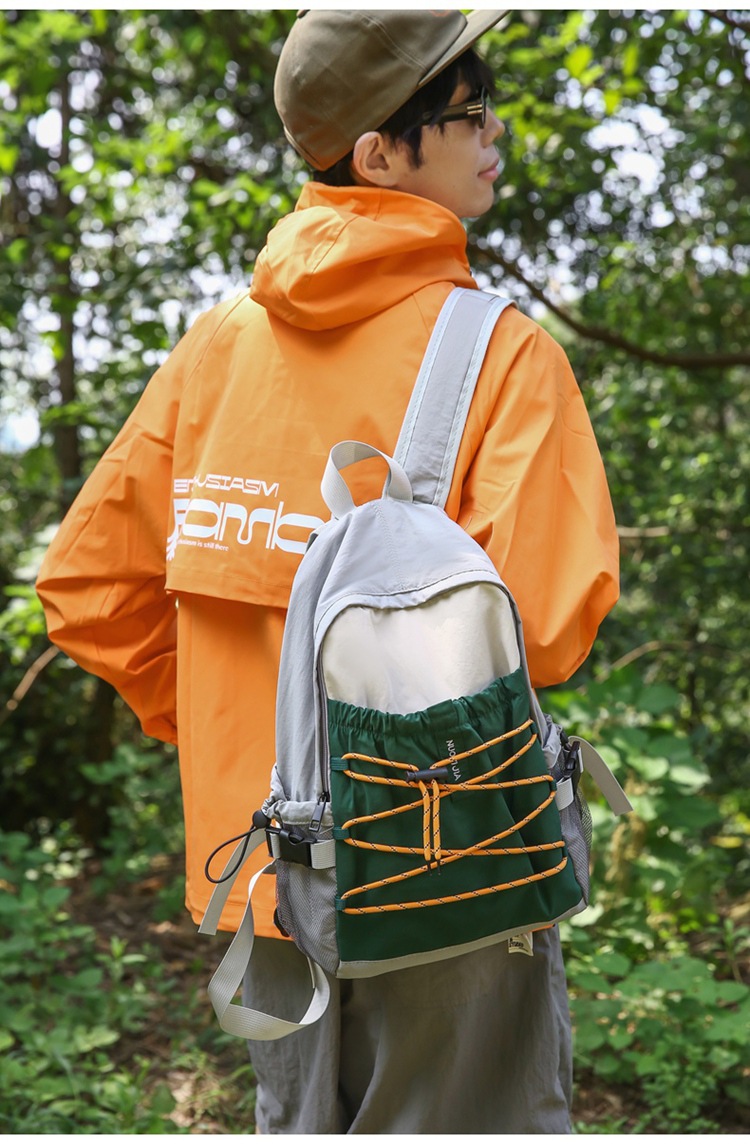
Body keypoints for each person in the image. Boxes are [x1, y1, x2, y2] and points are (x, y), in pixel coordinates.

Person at [36, 9, 619, 1134]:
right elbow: (544, 631)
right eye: (470, 112)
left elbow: (88, 593)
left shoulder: (216, 349)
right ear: (380, 153)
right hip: (450, 875)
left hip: (261, 874)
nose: (495, 132)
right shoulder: (504, 355)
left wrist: (246, 739)